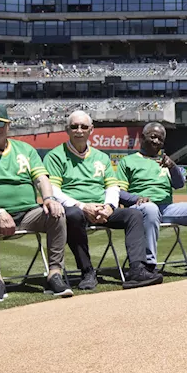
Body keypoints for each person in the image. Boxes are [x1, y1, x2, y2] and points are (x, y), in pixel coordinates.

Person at [0, 103, 72, 300]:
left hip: (29, 213)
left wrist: (49, 198)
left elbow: (41, 178)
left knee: (57, 212)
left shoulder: (25, 150)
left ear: (8, 125)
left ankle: (55, 274)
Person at [42, 111, 160, 290]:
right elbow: (54, 191)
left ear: (91, 130)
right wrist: (83, 206)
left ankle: (137, 269)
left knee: (134, 214)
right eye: (74, 126)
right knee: (72, 215)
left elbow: (112, 187)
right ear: (67, 129)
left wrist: (109, 207)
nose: (79, 130)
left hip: (102, 207)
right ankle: (87, 271)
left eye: (83, 126)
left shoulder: (101, 157)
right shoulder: (56, 156)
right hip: (76, 208)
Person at [119, 121, 187, 277]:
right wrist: (137, 198)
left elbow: (178, 185)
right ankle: (149, 265)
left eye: (160, 139)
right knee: (150, 209)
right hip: (141, 208)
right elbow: (119, 192)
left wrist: (172, 167)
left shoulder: (165, 162)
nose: (157, 141)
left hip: (166, 208)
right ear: (142, 138)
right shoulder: (127, 161)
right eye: (153, 137)